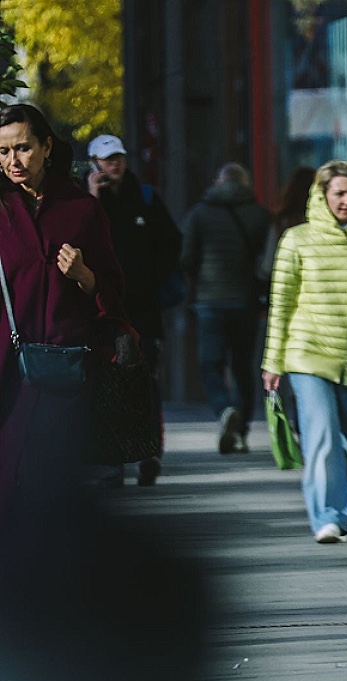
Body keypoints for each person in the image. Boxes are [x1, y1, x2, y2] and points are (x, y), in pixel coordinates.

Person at [0, 104, 130, 523]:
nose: (12, 161)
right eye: (2, 152)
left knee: (50, 477)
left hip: (65, 364)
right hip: (5, 371)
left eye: (22, 148)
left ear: (46, 147)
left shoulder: (82, 210)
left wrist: (86, 275)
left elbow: (113, 288)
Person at [261, 161, 347, 544]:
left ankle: (346, 509)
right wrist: (273, 361)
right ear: (322, 196)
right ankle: (326, 517)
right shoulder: (296, 239)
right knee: (322, 437)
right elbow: (281, 304)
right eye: (339, 193)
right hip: (309, 353)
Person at [85, 133, 180, 486]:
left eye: (119, 157)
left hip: (142, 308)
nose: (114, 164)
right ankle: (113, 461)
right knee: (105, 383)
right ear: (93, 163)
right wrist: (94, 197)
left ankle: (148, 453)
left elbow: (172, 244)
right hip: (100, 310)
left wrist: (149, 277)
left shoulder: (146, 198)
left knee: (144, 381)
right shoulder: (84, 202)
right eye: (107, 159)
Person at [181, 163, 272, 455]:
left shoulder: (199, 214)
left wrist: (199, 284)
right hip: (245, 303)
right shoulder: (260, 215)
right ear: (245, 184)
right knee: (243, 367)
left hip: (210, 302)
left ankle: (224, 409)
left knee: (211, 364)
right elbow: (269, 262)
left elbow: (186, 257)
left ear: (217, 182)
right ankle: (241, 431)